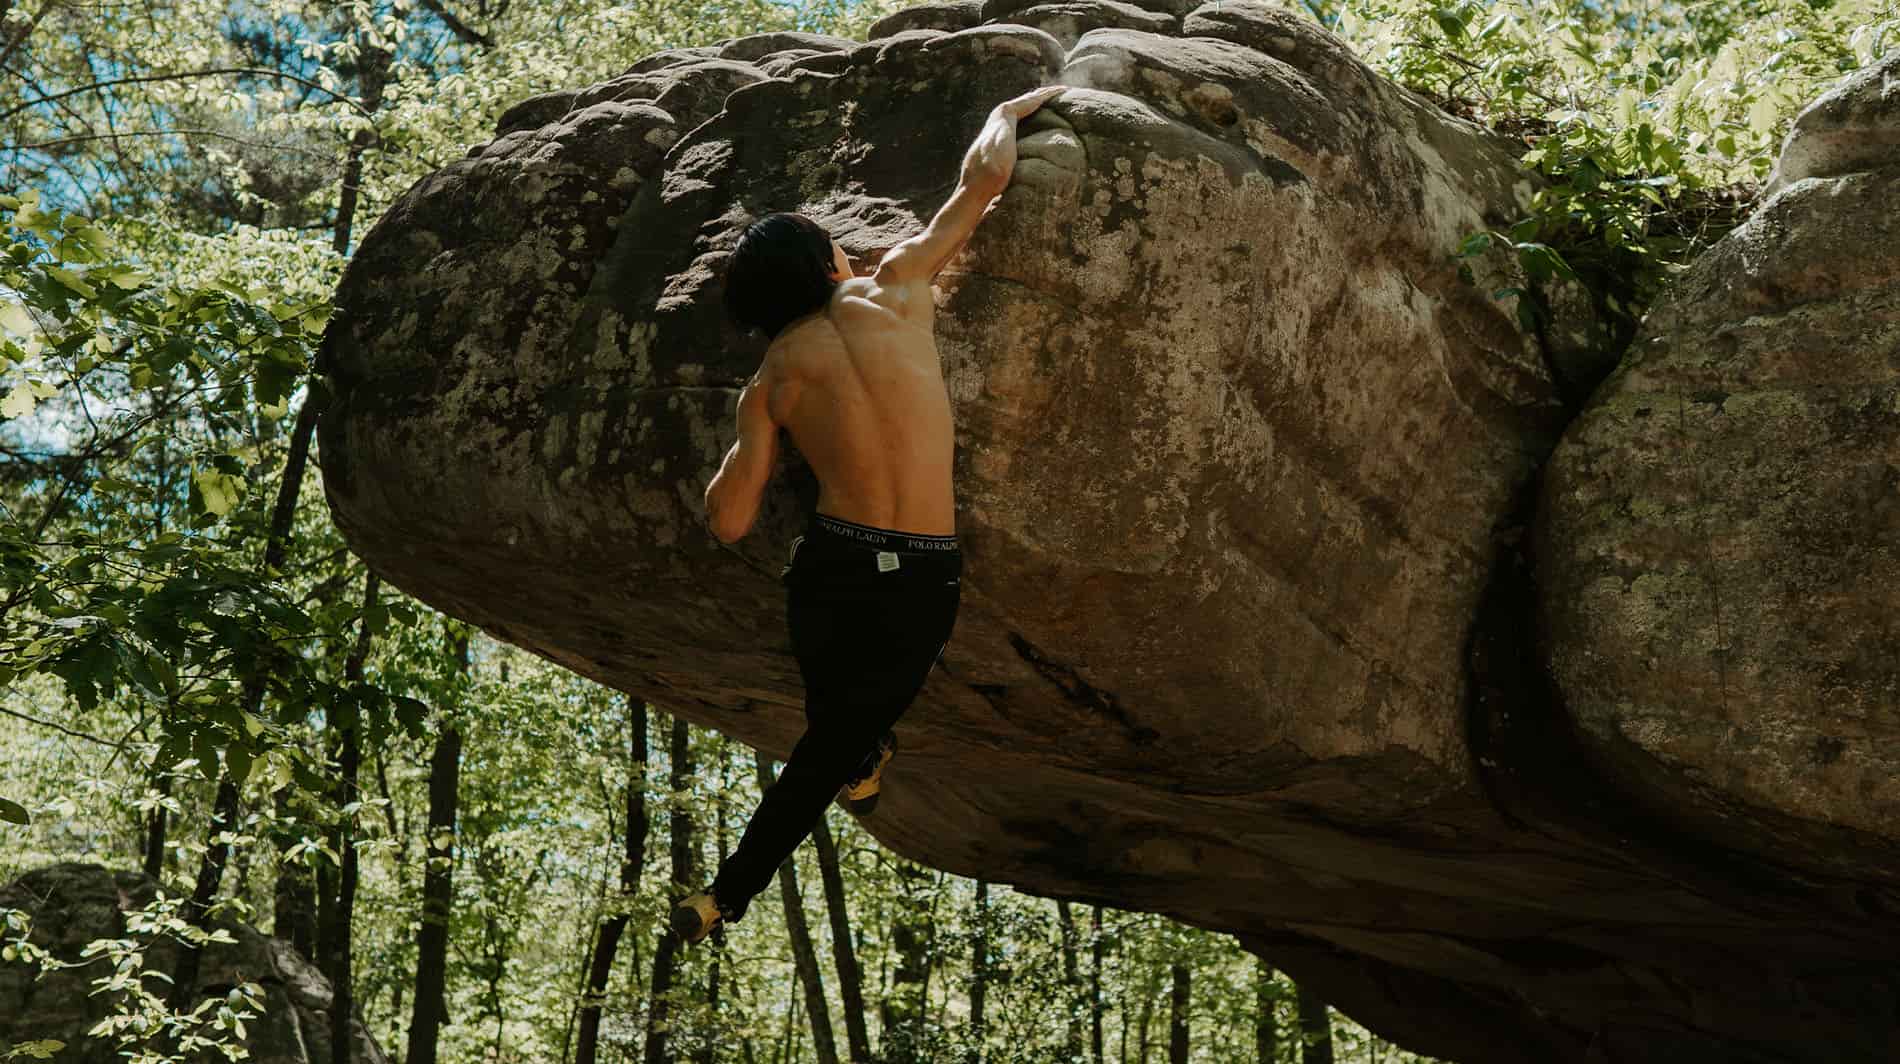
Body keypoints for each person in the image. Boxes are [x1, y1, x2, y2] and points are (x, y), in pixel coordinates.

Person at [674, 84, 1067, 944]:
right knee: (837, 737)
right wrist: (1005, 112)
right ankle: (736, 885)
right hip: (918, 574)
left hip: (835, 568)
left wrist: (743, 441)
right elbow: (983, 182)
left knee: (836, 732)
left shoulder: (770, 382)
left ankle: (809, 815)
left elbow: (729, 521)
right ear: (827, 264)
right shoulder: (896, 287)